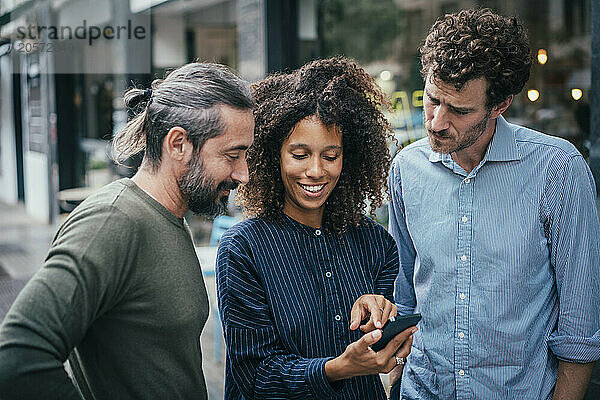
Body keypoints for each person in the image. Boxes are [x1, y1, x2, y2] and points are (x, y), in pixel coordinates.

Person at [0, 62, 255, 399]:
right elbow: (17, 358)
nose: (243, 174)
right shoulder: (112, 221)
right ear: (178, 144)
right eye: (232, 155)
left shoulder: (169, 216)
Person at [387, 8, 600, 400]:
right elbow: (405, 294)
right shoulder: (406, 169)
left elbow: (580, 329)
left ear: (500, 105)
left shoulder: (558, 171)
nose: (435, 121)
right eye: (433, 99)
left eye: (460, 110)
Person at [216, 57, 416, 400]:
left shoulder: (375, 243)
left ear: (347, 158)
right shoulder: (244, 249)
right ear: (273, 155)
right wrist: (339, 367)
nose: (315, 171)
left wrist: (381, 321)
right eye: (299, 154)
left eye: (330, 155)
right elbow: (255, 379)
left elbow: (391, 348)